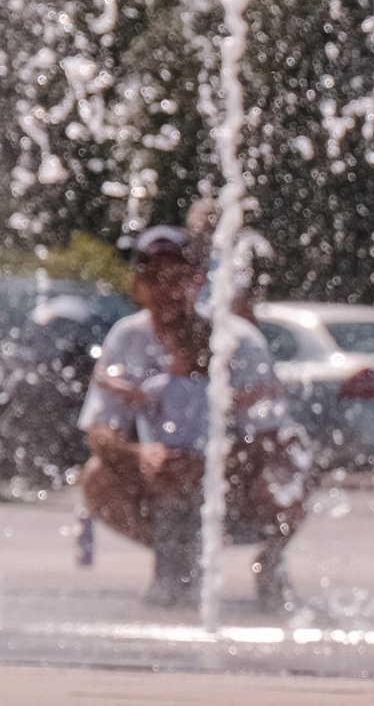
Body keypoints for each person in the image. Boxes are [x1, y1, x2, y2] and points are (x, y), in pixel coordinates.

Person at [78, 225, 304, 610]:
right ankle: (174, 566)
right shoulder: (126, 339)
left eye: (177, 278)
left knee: (289, 471)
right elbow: (98, 429)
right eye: (153, 278)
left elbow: (269, 432)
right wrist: (142, 454)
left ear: (197, 282)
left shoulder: (238, 340)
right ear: (137, 285)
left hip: (234, 474)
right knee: (100, 476)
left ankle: (271, 557)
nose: (166, 291)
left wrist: (213, 462)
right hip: (164, 476)